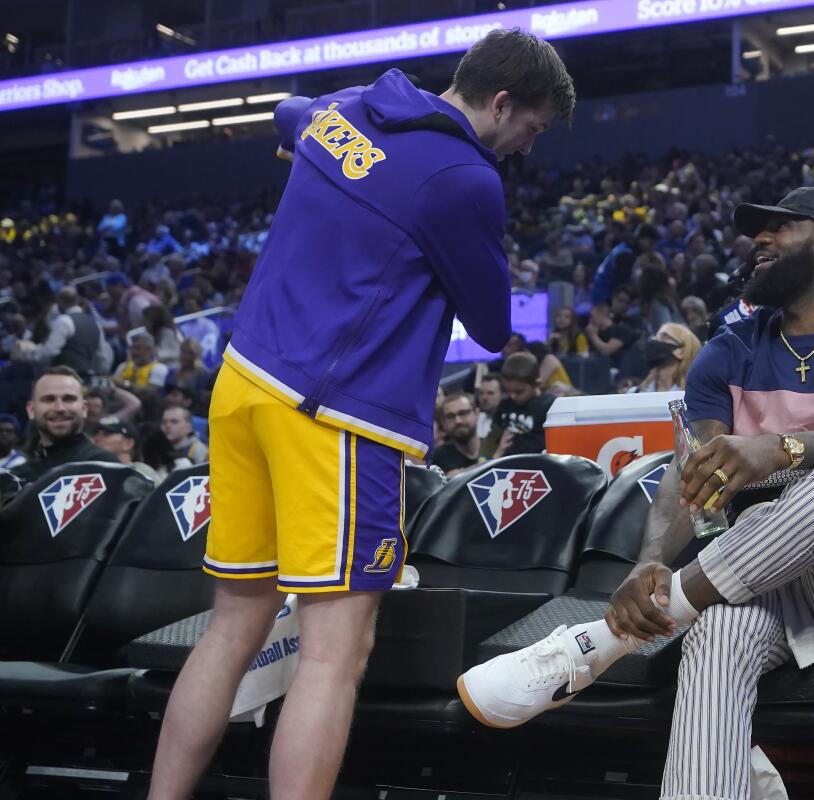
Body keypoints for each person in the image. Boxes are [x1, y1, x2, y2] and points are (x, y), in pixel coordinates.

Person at [148, 29, 574, 800]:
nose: (525, 149)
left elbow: (288, 112)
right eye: (531, 130)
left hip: (243, 381)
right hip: (336, 414)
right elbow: (488, 324)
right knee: (334, 655)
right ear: (502, 101)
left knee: (231, 626)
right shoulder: (464, 178)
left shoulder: (346, 107)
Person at [458, 187, 814, 800]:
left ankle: (607, 640)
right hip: (765, 582)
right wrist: (649, 563)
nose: (759, 241)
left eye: (780, 228)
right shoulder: (730, 348)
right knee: (718, 632)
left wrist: (780, 448)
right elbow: (688, 473)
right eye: (756, 232)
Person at [9, 367, 118, 487]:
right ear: (31, 410)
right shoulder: (16, 479)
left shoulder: (107, 468)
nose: (59, 408)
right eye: (49, 399)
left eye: (68, 399)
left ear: (84, 408)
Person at [10, 287, 104, 376]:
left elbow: (48, 353)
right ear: (77, 300)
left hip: (65, 377)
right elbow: (102, 355)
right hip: (88, 377)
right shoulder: (95, 323)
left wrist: (25, 354)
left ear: (60, 301)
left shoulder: (64, 320)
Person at [481, 352, 555, 458]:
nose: (513, 396)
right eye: (508, 391)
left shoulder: (549, 406)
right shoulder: (505, 405)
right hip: (506, 465)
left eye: (519, 391)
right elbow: (491, 439)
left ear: (537, 384)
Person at [630, 323, 700, 393]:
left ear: (680, 352)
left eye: (664, 337)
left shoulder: (692, 396)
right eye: (655, 337)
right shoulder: (634, 393)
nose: (654, 341)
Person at [92, 414, 159, 484]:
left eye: (106, 434)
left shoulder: (142, 472)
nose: (97, 438)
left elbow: (161, 494)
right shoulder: (92, 472)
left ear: (128, 443)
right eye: (96, 434)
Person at [430, 393, 485, 476]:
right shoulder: (440, 456)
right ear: (443, 423)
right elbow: (455, 478)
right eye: (450, 416)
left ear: (477, 413)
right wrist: (496, 457)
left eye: (463, 413)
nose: (458, 421)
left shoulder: (496, 441)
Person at [142, 305, 183, 370]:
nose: (143, 323)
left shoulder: (167, 333)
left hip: (172, 367)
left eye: (145, 320)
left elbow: (172, 353)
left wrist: (150, 352)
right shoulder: (155, 335)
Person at [475, 372, 503, 440]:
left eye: (490, 393)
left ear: (502, 395)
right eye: (481, 393)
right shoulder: (476, 420)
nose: (484, 397)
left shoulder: (509, 421)